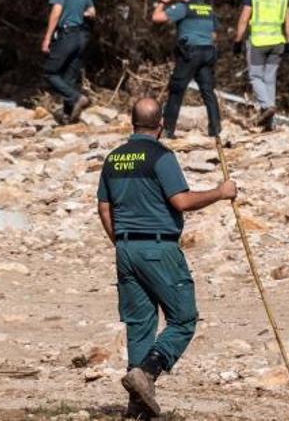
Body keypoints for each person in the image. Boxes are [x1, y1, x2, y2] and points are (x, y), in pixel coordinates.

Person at [96, 97, 237, 418]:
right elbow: (181, 201)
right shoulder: (161, 156)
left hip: (126, 248)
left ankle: (138, 406)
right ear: (160, 126)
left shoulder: (114, 159)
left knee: (139, 323)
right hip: (158, 248)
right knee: (184, 319)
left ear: (131, 123)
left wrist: (119, 242)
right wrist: (221, 192)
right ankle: (148, 371)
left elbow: (104, 208)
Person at [151, 0, 222, 138]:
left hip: (190, 53)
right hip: (208, 51)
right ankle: (215, 129)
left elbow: (156, 17)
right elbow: (214, 34)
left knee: (177, 90)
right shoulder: (207, 8)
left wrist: (163, 1)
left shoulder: (183, 7)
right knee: (208, 91)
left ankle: (168, 130)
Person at [233, 0, 289, 131]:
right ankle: (269, 123)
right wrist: (288, 42)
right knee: (270, 79)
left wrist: (238, 41)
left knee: (255, 77)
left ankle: (267, 107)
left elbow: (244, 19)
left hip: (258, 43)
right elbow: (288, 21)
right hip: (278, 43)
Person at [42, 0, 95, 125]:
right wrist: (78, 13)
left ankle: (76, 97)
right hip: (82, 36)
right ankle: (68, 117)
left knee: (50, 72)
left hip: (68, 33)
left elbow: (56, 11)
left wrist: (47, 37)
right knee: (69, 77)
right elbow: (92, 12)